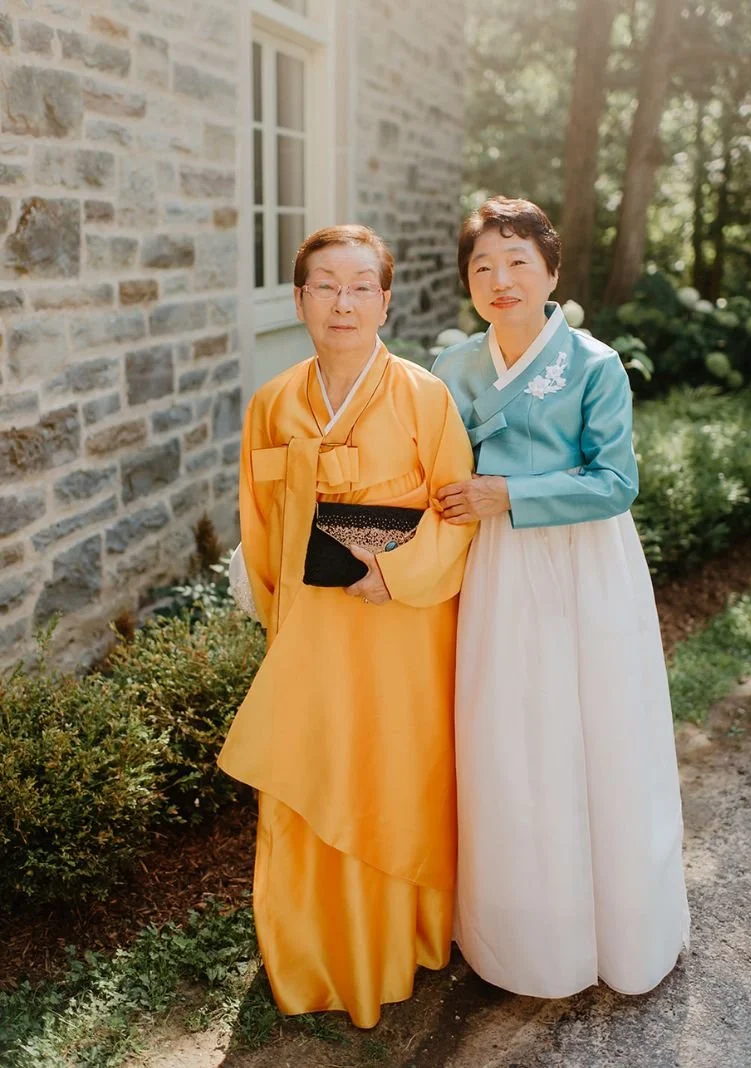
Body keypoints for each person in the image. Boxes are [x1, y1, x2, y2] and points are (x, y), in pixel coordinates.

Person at [218, 225, 477, 1028]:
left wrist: (390, 574)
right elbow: (259, 527)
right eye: (325, 284)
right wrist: (283, 616)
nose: (342, 301)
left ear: (385, 301)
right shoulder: (272, 404)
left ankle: (396, 943)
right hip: (308, 634)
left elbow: (457, 514)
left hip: (399, 632)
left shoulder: (423, 397)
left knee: (392, 775)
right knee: (308, 772)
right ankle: (309, 950)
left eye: (360, 285)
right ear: (299, 300)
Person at [431, 196, 689, 998]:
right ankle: (527, 934)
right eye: (483, 266)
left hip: (585, 565)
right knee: (511, 737)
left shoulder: (594, 364)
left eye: (517, 262)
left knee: (602, 731)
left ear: (551, 271)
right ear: (467, 281)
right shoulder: (451, 371)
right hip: (499, 571)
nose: (500, 280)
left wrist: (507, 492)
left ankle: (620, 929)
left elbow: (616, 483)